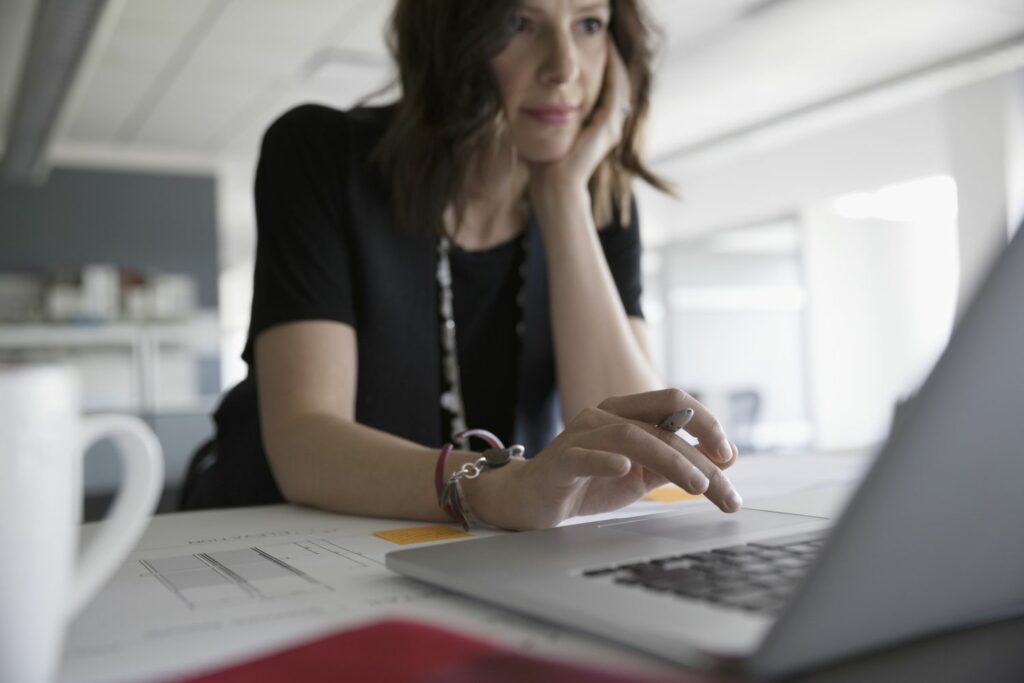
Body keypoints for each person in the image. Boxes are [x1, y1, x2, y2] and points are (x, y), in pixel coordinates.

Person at [181, 0, 742, 529]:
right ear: (450, 37)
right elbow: (305, 440)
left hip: (469, 546)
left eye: (589, 23)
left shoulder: (600, 203)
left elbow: (628, 452)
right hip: (278, 537)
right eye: (521, 22)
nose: (564, 67)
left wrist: (563, 195)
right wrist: (496, 488)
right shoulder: (320, 154)